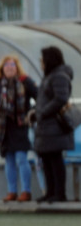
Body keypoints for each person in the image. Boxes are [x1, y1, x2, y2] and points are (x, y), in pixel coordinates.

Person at [0, 56, 38, 202]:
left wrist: (32, 112)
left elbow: (40, 97)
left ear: (17, 67)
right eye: (6, 65)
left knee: (21, 158)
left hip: (21, 124)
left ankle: (26, 191)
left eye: (12, 65)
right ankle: (12, 191)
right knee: (9, 159)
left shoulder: (25, 82)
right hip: (4, 127)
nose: (9, 67)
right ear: (2, 68)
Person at [31, 46, 74, 203]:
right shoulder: (50, 76)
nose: (41, 63)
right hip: (46, 126)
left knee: (55, 159)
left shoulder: (59, 76)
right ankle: (50, 193)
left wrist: (42, 113)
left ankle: (59, 194)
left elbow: (61, 98)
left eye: (42, 60)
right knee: (46, 159)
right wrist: (36, 112)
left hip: (54, 125)